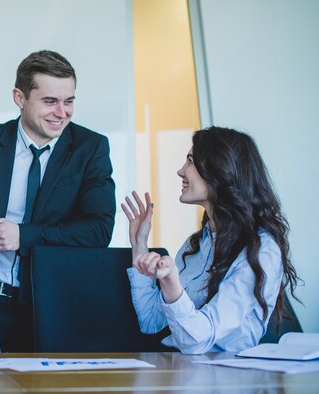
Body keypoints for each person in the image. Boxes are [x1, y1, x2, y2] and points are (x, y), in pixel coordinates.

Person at [0, 50, 116, 352]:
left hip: (51, 300)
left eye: (68, 101)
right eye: (50, 101)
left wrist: (24, 234)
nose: (62, 113)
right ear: (20, 98)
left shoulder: (91, 148)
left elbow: (98, 231)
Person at [122, 126, 299, 354]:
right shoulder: (195, 245)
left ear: (221, 171)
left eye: (190, 161)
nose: (180, 171)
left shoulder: (261, 251)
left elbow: (197, 341)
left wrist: (171, 282)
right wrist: (139, 244)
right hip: (176, 368)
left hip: (227, 377)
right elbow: (150, 322)